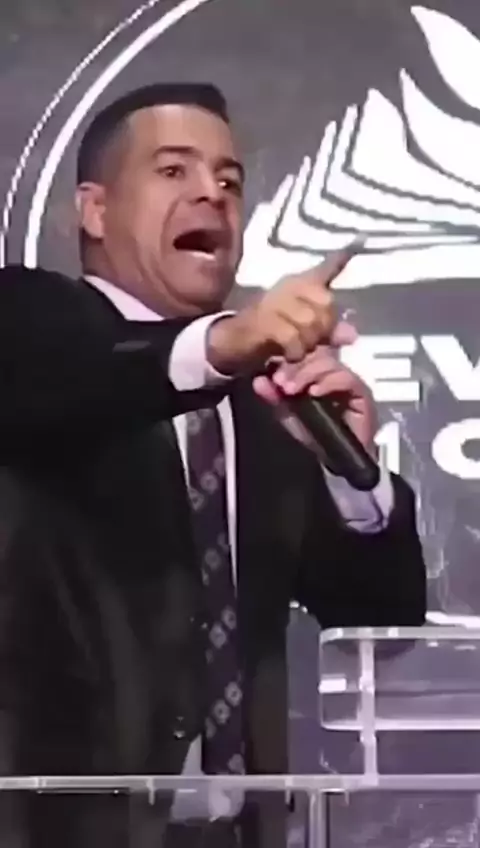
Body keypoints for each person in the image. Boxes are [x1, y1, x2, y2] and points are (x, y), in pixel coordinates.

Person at [0, 83, 426, 848]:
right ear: (94, 210)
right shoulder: (28, 328)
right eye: (174, 171)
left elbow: (381, 624)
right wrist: (226, 343)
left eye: (229, 180)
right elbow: (85, 376)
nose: (212, 194)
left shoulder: (267, 405)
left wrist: (352, 475)